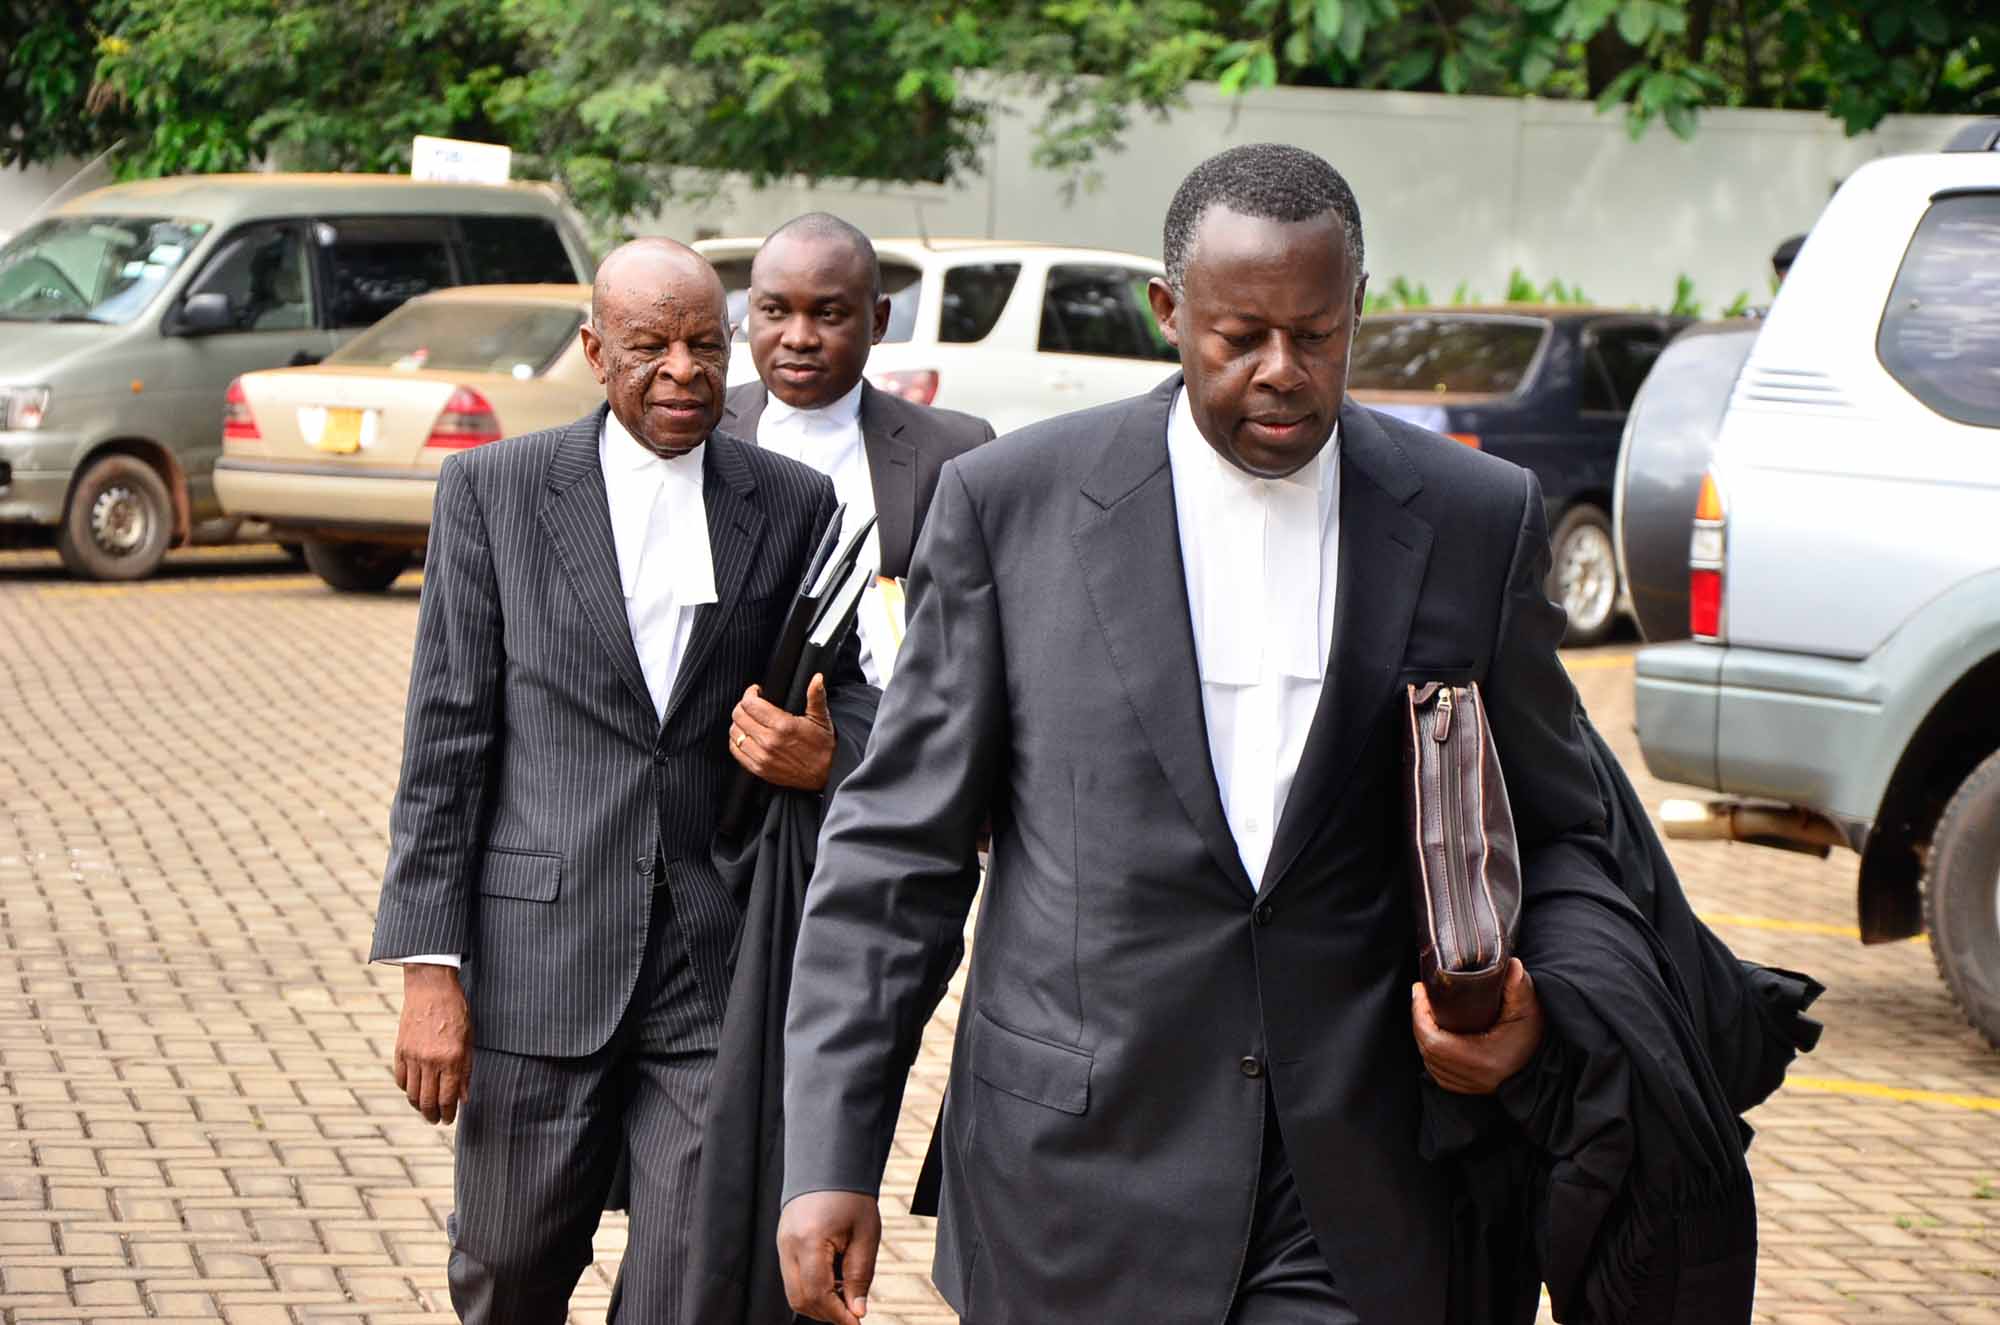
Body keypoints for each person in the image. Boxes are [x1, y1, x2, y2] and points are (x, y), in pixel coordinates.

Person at [775, 144, 1747, 1325]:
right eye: (1238, 337)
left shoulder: (1470, 517)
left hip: (1367, 1181)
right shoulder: (1008, 506)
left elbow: (1557, 824)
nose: (1281, 371)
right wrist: (828, 1154)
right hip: (1072, 1180)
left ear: (1355, 308)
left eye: (1316, 334)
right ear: (1167, 312)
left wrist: (1535, 1010)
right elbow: (899, 854)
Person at [367, 238, 876, 1325]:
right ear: (597, 353)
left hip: (710, 954)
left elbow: (851, 695)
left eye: (705, 345)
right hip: (538, 959)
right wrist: (428, 970)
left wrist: (827, 753)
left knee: (692, 1285)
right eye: (651, 346)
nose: (684, 370)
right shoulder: (495, 490)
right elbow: (445, 740)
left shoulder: (792, 502)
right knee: (507, 1268)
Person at [720, 212, 994, 686]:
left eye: (827, 314)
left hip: (881, 722)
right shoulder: (703, 433)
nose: (798, 338)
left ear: (878, 321)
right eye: (775, 311)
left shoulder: (955, 451)